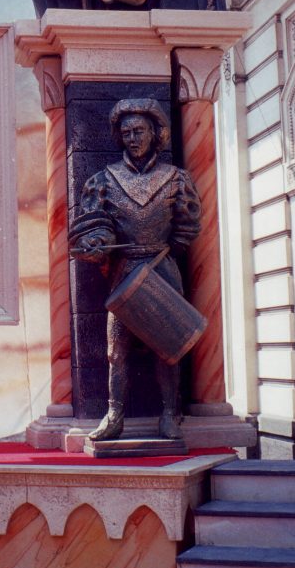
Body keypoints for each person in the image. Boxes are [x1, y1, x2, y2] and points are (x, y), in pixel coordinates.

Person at [70, 98, 201, 441]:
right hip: (123, 272)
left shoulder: (176, 179)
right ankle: (114, 415)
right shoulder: (104, 180)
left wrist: (162, 253)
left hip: (162, 269)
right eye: (126, 132)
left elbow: (187, 228)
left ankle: (169, 415)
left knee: (168, 345)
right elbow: (92, 226)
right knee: (116, 350)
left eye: (139, 131)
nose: (133, 138)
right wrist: (96, 247)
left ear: (155, 133)